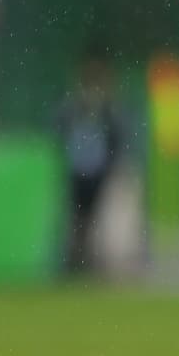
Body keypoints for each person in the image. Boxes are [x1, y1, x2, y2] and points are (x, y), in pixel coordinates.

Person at [55, 51, 123, 275]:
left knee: (93, 217)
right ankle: (74, 260)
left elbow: (115, 137)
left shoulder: (106, 108)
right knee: (77, 217)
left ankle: (89, 262)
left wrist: (112, 165)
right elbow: (61, 130)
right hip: (77, 169)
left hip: (97, 170)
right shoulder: (75, 105)